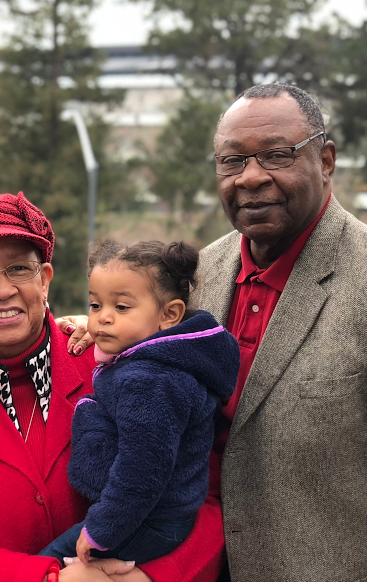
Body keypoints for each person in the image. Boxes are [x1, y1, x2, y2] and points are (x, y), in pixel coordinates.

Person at [67, 84, 367, 581]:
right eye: (232, 161)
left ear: (326, 160)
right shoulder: (198, 274)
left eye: (276, 155)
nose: (250, 177)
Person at [0, 193, 228, 582]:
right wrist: (49, 578)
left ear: (45, 279)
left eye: (19, 269)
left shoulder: (123, 366)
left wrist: (150, 578)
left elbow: (206, 497)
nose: (2, 290)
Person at [40, 240, 239, 567]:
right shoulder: (163, 361)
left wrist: (101, 530)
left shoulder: (151, 382)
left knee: (48, 564)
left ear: (169, 314)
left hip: (149, 520)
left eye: (121, 307)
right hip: (156, 515)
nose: (103, 318)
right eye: (95, 305)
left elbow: (142, 470)